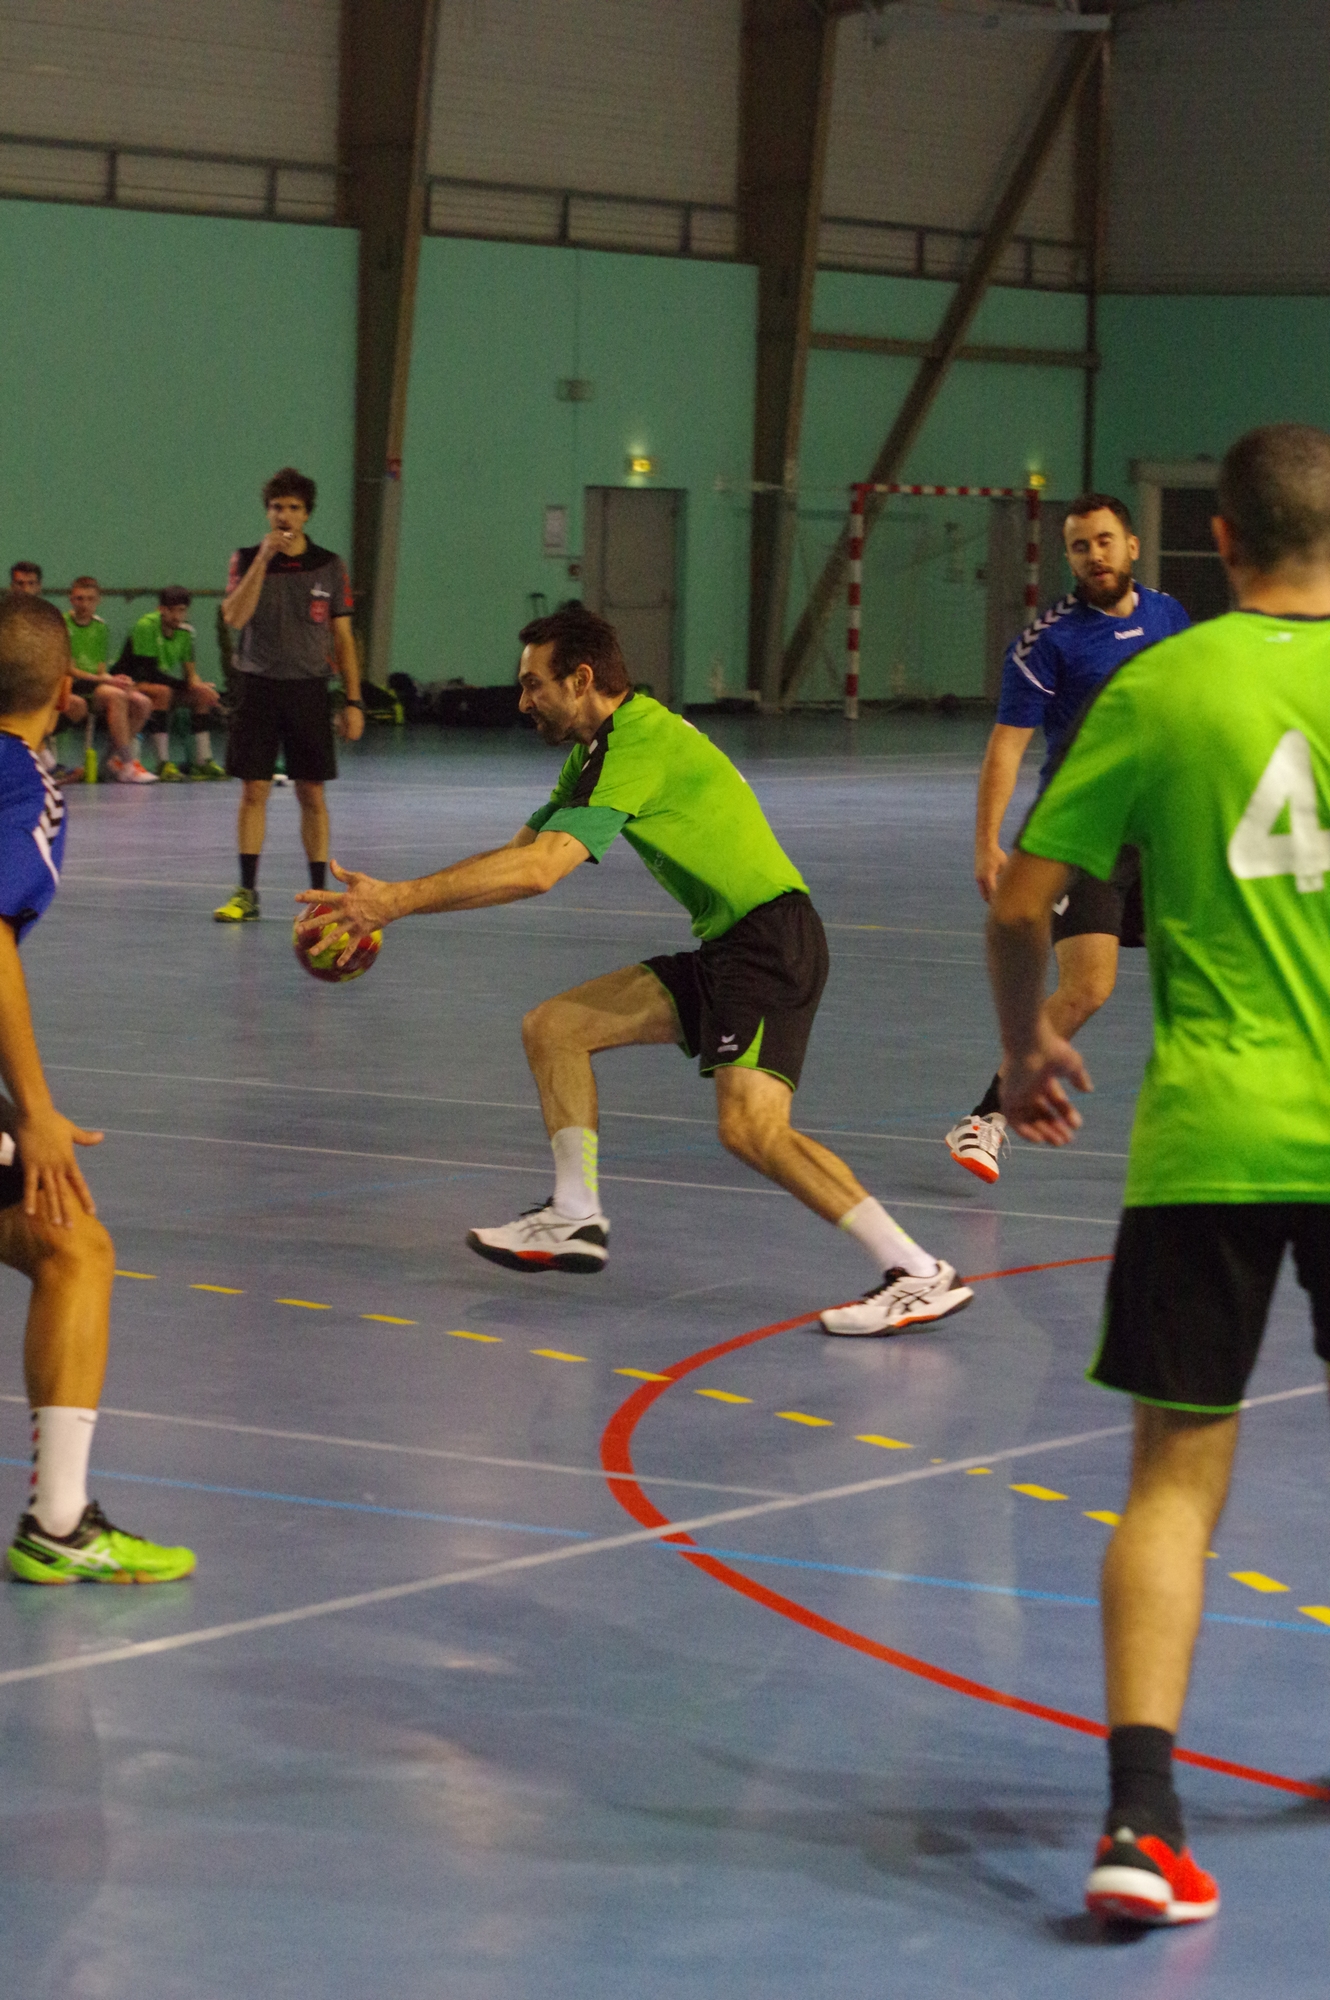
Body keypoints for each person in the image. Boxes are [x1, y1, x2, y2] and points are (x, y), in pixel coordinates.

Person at [987, 423, 1330, 1927]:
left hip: (1209, 1135)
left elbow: (1023, 899)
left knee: (1172, 1484)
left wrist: (1023, 1049)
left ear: (1217, 542)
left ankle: (1139, 1818)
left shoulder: (1160, 685)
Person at [296, 606, 974, 1336]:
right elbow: (518, 854)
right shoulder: (596, 752)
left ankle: (918, 1273)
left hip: (770, 944)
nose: (522, 701)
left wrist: (395, 903)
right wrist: (392, 898)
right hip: (731, 945)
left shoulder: (637, 743)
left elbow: (541, 871)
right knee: (555, 1028)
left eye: (533, 685)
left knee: (752, 1129)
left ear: (580, 679)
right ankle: (573, 1215)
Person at [0, 590, 195, 1582]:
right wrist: (34, 1109)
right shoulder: (21, 783)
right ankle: (59, 1522)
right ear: (66, 689)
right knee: (76, 1249)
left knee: (67, 1244)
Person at [944, 496, 1190, 1184]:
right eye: (1081, 546)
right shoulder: (1045, 642)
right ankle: (985, 1119)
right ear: (1069, 558)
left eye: (1105, 541)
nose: (1095, 556)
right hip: (1088, 835)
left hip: (1164, 830)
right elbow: (1006, 747)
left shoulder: (1169, 617)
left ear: (1131, 545)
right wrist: (987, 842)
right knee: (1087, 989)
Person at [215, 467, 362, 922]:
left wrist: (353, 701)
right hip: (256, 687)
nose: (285, 516)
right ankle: (246, 893)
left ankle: (320, 898)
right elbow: (234, 617)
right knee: (253, 790)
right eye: (277, 507)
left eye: (294, 508)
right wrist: (263, 559)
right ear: (267, 512)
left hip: (308, 689)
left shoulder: (329, 564)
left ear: (307, 514)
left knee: (311, 793)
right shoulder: (246, 559)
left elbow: (343, 638)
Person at [123, 586, 224, 781]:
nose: (177, 616)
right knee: (163, 692)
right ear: (161, 609)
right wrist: (186, 685)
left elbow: (190, 674)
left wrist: (201, 687)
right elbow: (148, 673)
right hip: (131, 682)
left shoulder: (186, 632)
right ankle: (163, 763)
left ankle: (202, 761)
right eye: (172, 610)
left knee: (200, 695)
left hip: (159, 683)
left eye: (182, 610)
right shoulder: (146, 626)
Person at [64, 575, 157, 784]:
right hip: (72, 686)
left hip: (95, 685)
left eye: (90, 599)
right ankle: (128, 763)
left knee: (143, 702)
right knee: (116, 696)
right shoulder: (63, 624)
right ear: (71, 599)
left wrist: (118, 679)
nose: (84, 604)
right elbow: (69, 669)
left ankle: (111, 760)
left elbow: (101, 670)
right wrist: (107, 682)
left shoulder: (101, 627)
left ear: (98, 601)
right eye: (79, 598)